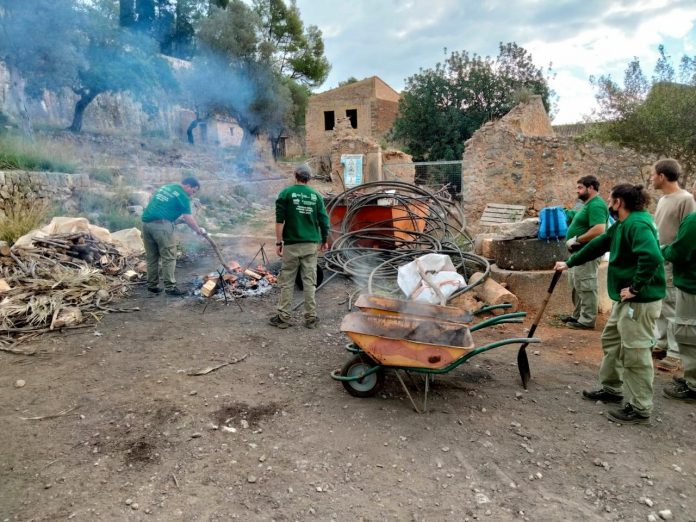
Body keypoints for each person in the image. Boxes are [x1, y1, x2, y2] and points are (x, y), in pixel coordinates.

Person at [554, 184, 665, 424]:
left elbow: (653, 256)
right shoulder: (624, 224)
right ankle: (612, 388)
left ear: (619, 202)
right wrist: (570, 262)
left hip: (640, 301)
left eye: (610, 200)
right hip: (625, 301)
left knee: (635, 352)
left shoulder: (637, 224)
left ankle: (640, 408)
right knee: (612, 340)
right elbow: (600, 243)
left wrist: (636, 287)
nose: (608, 204)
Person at [269, 165, 329, 329]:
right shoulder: (316, 196)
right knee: (310, 281)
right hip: (310, 245)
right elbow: (324, 220)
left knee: (287, 280)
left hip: (292, 245)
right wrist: (324, 239)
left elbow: (279, 221)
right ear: (309, 178)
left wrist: (278, 242)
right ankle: (310, 318)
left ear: (295, 175)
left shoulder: (286, 194)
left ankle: (284, 317)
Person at [651, 159, 696, 370]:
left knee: (671, 305)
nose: (652, 178)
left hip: (671, 259)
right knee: (660, 304)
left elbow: (687, 234)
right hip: (659, 257)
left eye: (653, 174)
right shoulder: (663, 199)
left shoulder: (685, 199)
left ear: (661, 176)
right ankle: (661, 343)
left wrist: (670, 253)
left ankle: (675, 351)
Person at [141, 177, 207, 296]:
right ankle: (170, 288)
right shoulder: (183, 196)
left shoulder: (167, 187)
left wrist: (172, 218)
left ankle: (152, 285)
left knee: (152, 257)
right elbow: (188, 217)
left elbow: (160, 205)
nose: (193, 193)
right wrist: (198, 230)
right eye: (194, 190)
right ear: (188, 186)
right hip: (161, 226)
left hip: (146, 225)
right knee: (169, 257)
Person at [661, 184, 696, 401]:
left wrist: (664, 249)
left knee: (688, 333)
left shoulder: (693, 221)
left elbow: (681, 251)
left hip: (691, 284)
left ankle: (693, 385)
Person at [561, 175, 609, 330]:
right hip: (579, 253)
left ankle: (587, 320)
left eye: (580, 188)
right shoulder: (588, 204)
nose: (578, 191)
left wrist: (577, 240)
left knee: (586, 284)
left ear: (591, 188)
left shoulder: (596, 205)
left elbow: (599, 229)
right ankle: (578, 316)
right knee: (577, 284)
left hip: (588, 252)